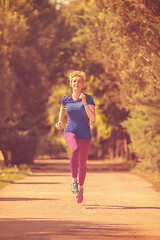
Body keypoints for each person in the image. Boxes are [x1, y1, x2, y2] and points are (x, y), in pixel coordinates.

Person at [55, 70, 96, 203]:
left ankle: (81, 188)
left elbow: (93, 118)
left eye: (79, 81)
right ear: (70, 84)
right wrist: (60, 120)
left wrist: (84, 102)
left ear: (83, 84)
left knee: (83, 164)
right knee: (74, 150)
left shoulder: (88, 98)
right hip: (70, 131)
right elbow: (62, 108)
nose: (76, 83)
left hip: (85, 134)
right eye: (74, 81)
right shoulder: (65, 99)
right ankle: (74, 180)